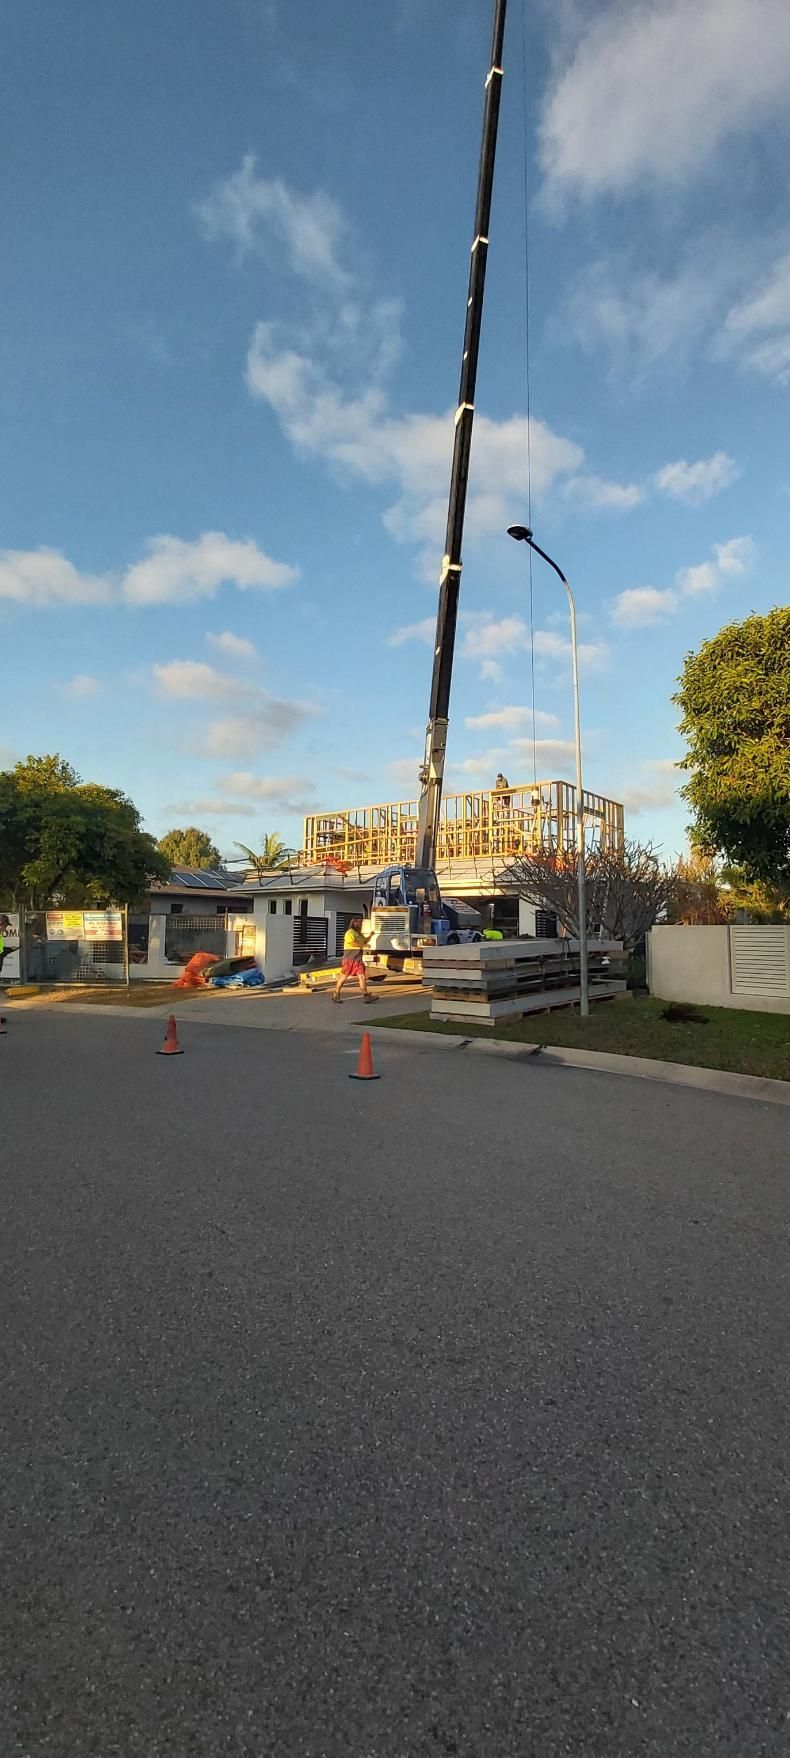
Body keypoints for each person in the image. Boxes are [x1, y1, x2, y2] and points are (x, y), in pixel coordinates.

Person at [333, 915, 372, 1004]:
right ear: (354, 922)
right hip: (349, 959)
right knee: (343, 977)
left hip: (358, 959)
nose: (361, 924)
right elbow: (352, 943)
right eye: (359, 922)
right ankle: (336, 994)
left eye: (361, 922)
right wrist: (364, 945)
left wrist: (371, 935)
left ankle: (366, 996)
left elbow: (365, 941)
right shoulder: (349, 933)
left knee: (362, 977)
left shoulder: (359, 933)